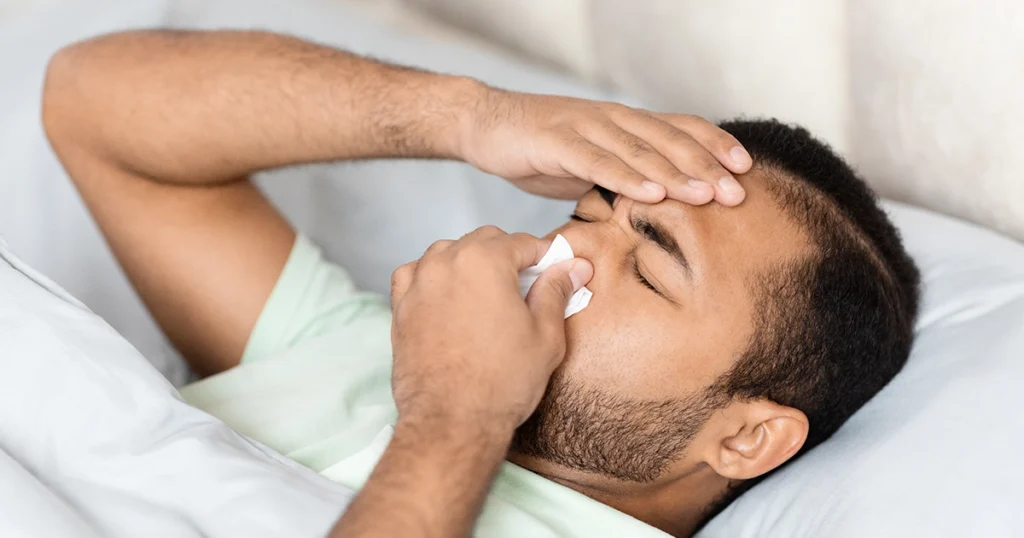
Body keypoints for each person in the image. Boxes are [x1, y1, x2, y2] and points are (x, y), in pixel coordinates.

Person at [42, 30, 919, 538]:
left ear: (747, 439)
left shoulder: (445, 398)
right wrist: (467, 116)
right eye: (584, 215)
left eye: (649, 271)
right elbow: (91, 104)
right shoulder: (362, 357)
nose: (567, 258)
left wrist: (454, 415)